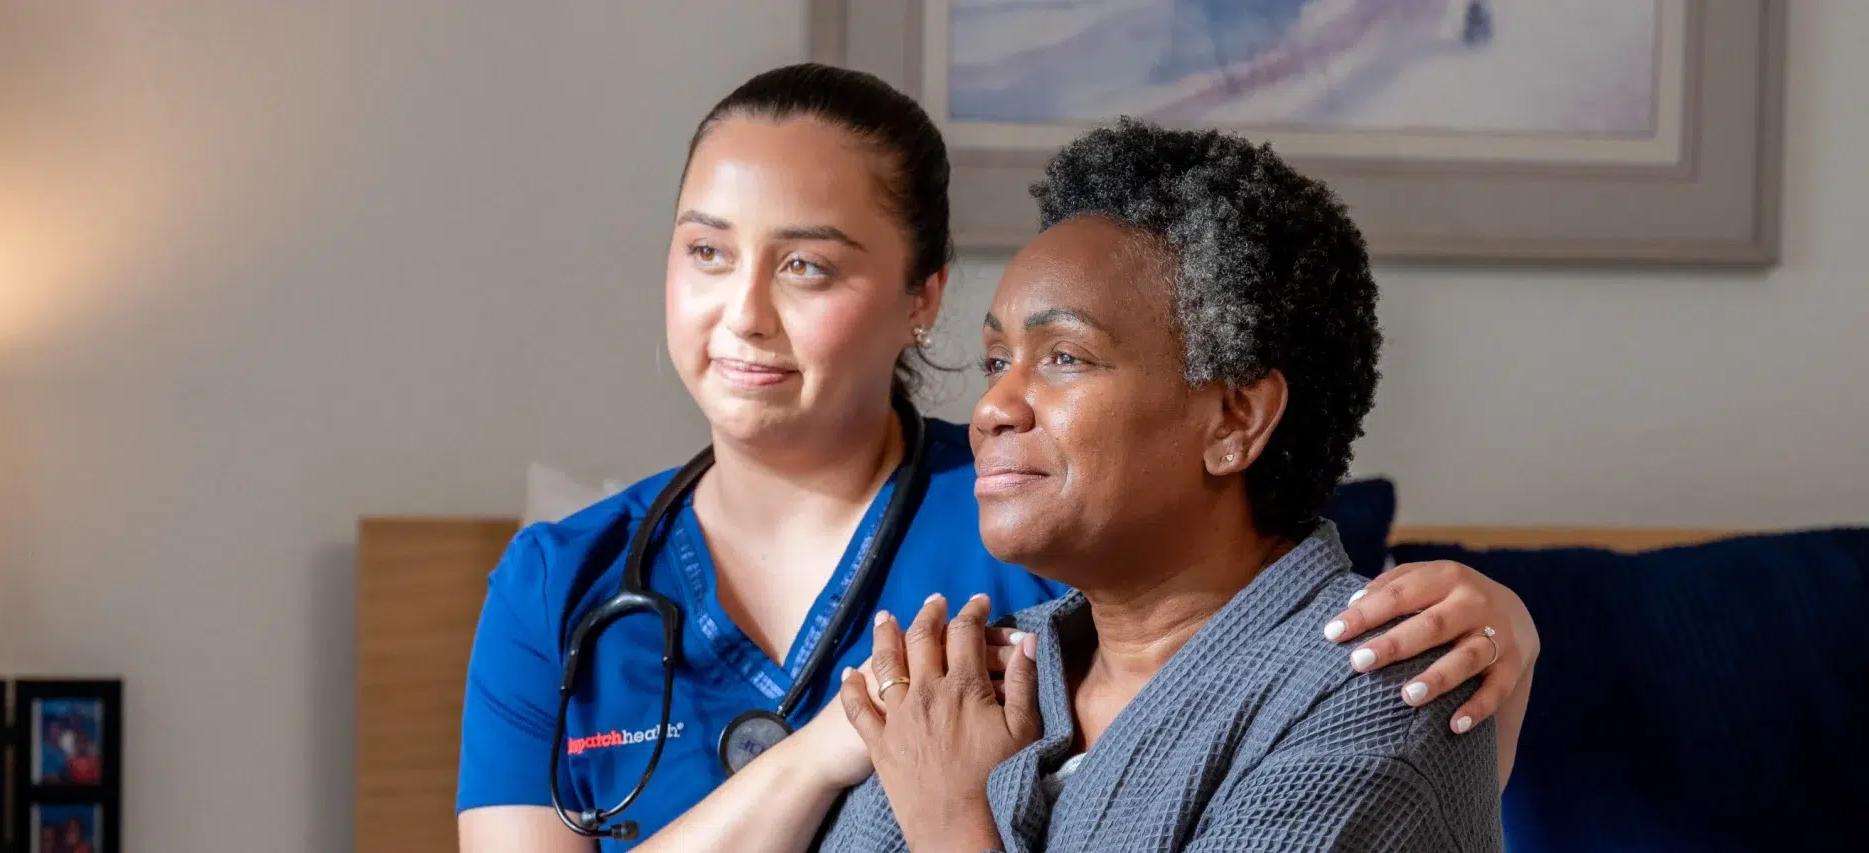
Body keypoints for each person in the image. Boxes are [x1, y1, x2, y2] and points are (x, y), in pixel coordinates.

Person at [457, 62, 1538, 853]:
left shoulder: (1059, 558)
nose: (742, 312)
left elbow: (1370, 738)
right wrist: (838, 751)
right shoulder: (1011, 652)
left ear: (916, 295)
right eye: (704, 251)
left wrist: (942, 810)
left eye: (805, 266)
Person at [822, 120, 1498, 852]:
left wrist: (951, 819)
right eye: (996, 362)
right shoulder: (978, 685)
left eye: (1065, 357)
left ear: (1234, 419)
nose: (992, 410)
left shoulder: (1379, 691)